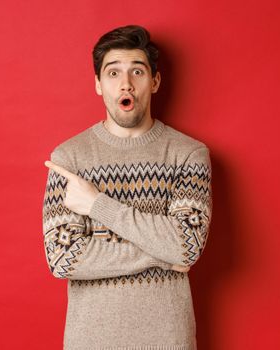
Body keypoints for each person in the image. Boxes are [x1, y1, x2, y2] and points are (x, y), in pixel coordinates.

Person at [42, 24, 212, 350]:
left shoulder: (189, 154)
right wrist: (163, 254)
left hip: (168, 341)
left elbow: (186, 245)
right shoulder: (69, 158)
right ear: (97, 84)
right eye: (113, 72)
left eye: (138, 71)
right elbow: (63, 258)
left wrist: (96, 205)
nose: (126, 84)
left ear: (155, 81)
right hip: (90, 342)